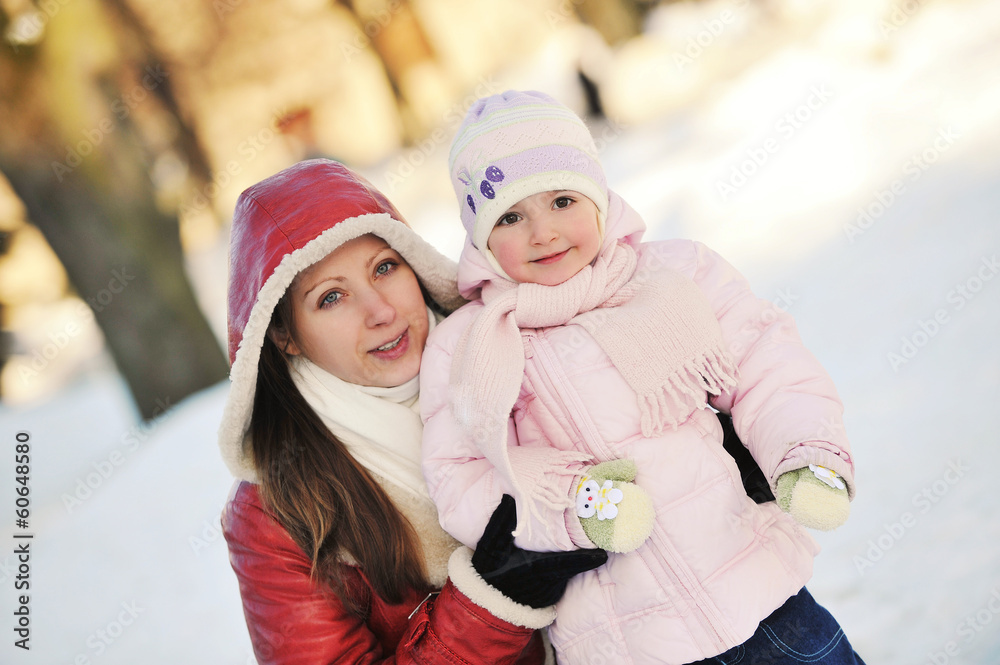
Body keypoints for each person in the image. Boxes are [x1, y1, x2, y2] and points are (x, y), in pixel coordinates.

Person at [419, 91, 866, 664]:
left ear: (599, 195)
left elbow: (767, 364)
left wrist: (804, 452)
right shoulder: (471, 344)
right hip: (624, 643)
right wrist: (579, 509)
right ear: (478, 237)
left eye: (562, 200)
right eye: (509, 216)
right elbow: (460, 475)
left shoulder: (673, 275)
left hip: (761, 599)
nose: (544, 232)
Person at [217, 158, 607, 664]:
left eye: (384, 267)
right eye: (331, 297)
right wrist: (491, 602)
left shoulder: (521, 346)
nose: (381, 312)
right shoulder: (273, 518)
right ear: (284, 335)